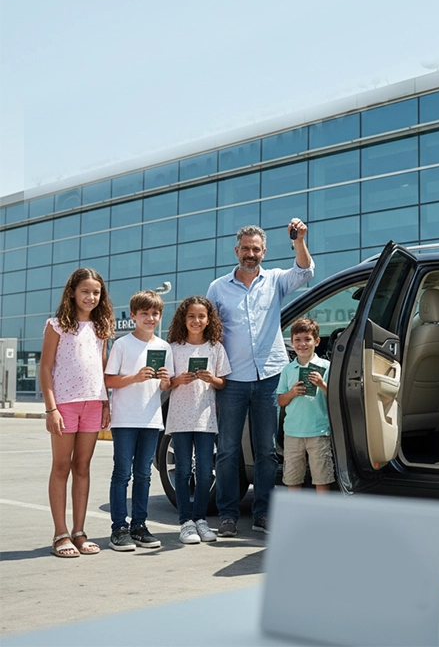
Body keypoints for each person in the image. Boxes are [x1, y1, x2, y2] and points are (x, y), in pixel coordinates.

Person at [207, 220, 313, 537]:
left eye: (256, 249)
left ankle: (262, 513)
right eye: (246, 248)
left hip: (269, 376)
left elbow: (305, 271)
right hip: (232, 380)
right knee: (227, 450)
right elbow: (211, 333)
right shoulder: (218, 287)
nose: (251, 254)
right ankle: (227, 515)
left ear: (263, 252)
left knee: (266, 451)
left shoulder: (276, 280)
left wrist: (299, 241)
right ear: (236, 250)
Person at [39, 268, 115, 558]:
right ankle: (60, 533)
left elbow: (102, 367)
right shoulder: (57, 325)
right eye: (85, 291)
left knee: (82, 467)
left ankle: (79, 531)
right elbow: (45, 369)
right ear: (72, 292)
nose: (91, 297)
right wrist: (51, 409)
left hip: (93, 404)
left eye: (96, 292)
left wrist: (106, 402)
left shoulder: (101, 326)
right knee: (61, 466)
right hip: (65, 405)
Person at [104, 290, 174, 551]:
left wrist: (166, 379)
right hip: (124, 419)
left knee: (144, 474)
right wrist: (134, 377)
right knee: (122, 473)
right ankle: (118, 528)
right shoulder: (123, 344)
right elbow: (109, 380)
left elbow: (166, 386)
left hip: (151, 419)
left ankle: (139, 525)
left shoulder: (164, 347)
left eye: (155, 313)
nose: (151, 317)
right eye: (145, 313)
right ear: (133, 315)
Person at [163, 296, 230, 544]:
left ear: (208, 319)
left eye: (201, 316)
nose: (196, 320)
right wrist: (177, 381)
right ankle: (185, 522)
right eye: (191, 316)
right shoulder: (173, 348)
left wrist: (211, 379)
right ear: (183, 318)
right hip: (180, 417)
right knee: (182, 471)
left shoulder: (215, 348)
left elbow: (223, 382)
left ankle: (200, 519)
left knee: (205, 471)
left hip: (205, 418)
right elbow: (165, 383)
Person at [276, 318, 334, 493]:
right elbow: (281, 401)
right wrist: (292, 393)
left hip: (319, 431)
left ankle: (322, 517)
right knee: (293, 478)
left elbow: (335, 398)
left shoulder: (326, 366)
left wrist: (322, 385)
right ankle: (297, 517)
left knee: (322, 478)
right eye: (297, 340)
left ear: (316, 341)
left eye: (307, 339)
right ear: (292, 342)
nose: (302, 344)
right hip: (293, 432)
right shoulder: (287, 370)